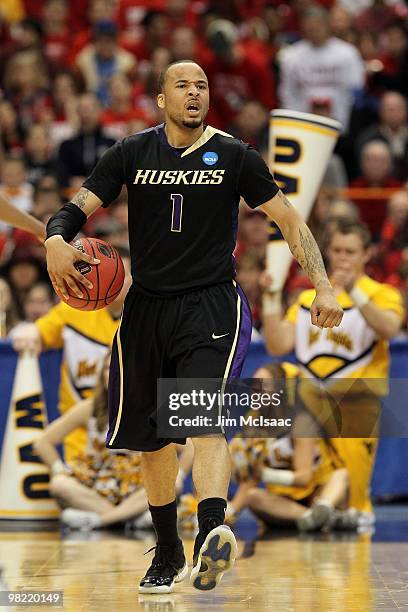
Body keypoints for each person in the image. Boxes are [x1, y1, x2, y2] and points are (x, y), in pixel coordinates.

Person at [43, 59, 343, 594]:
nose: (195, 92)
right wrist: (55, 240)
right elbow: (76, 207)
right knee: (151, 438)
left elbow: (290, 221)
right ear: (161, 98)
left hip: (210, 304)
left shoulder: (234, 154)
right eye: (182, 85)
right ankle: (168, 549)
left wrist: (321, 285)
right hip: (145, 306)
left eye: (202, 85)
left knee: (203, 414)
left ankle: (211, 530)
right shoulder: (132, 151)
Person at [262, 219, 404, 519]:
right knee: (316, 487)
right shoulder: (306, 298)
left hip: (355, 405)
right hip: (312, 404)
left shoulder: (381, 293)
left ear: (366, 254)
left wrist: (354, 291)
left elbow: (390, 329)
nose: (342, 258)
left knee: (353, 501)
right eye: (337, 250)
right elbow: (277, 345)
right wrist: (271, 297)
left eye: (350, 251)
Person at [11, 249, 132, 463]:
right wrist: (31, 334)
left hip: (134, 437)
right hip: (80, 437)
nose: (114, 279)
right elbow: (36, 332)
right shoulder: (73, 310)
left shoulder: (148, 319)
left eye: (122, 273)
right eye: (109, 271)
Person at [227, 362, 357, 533]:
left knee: (341, 475)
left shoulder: (302, 421)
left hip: (315, 493)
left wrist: (265, 474)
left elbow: (304, 477)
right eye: (253, 385)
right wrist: (230, 511)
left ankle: (322, 511)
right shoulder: (253, 421)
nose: (255, 391)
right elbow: (250, 479)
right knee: (253, 496)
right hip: (283, 502)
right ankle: (321, 519)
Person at [33, 353, 149, 530]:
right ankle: (130, 519)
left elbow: (187, 448)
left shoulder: (148, 406)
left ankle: (100, 521)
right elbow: (42, 442)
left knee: (173, 482)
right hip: (97, 484)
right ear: (101, 374)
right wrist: (59, 470)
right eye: (109, 368)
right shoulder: (89, 408)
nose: (114, 373)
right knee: (59, 483)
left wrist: (178, 473)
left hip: (135, 482)